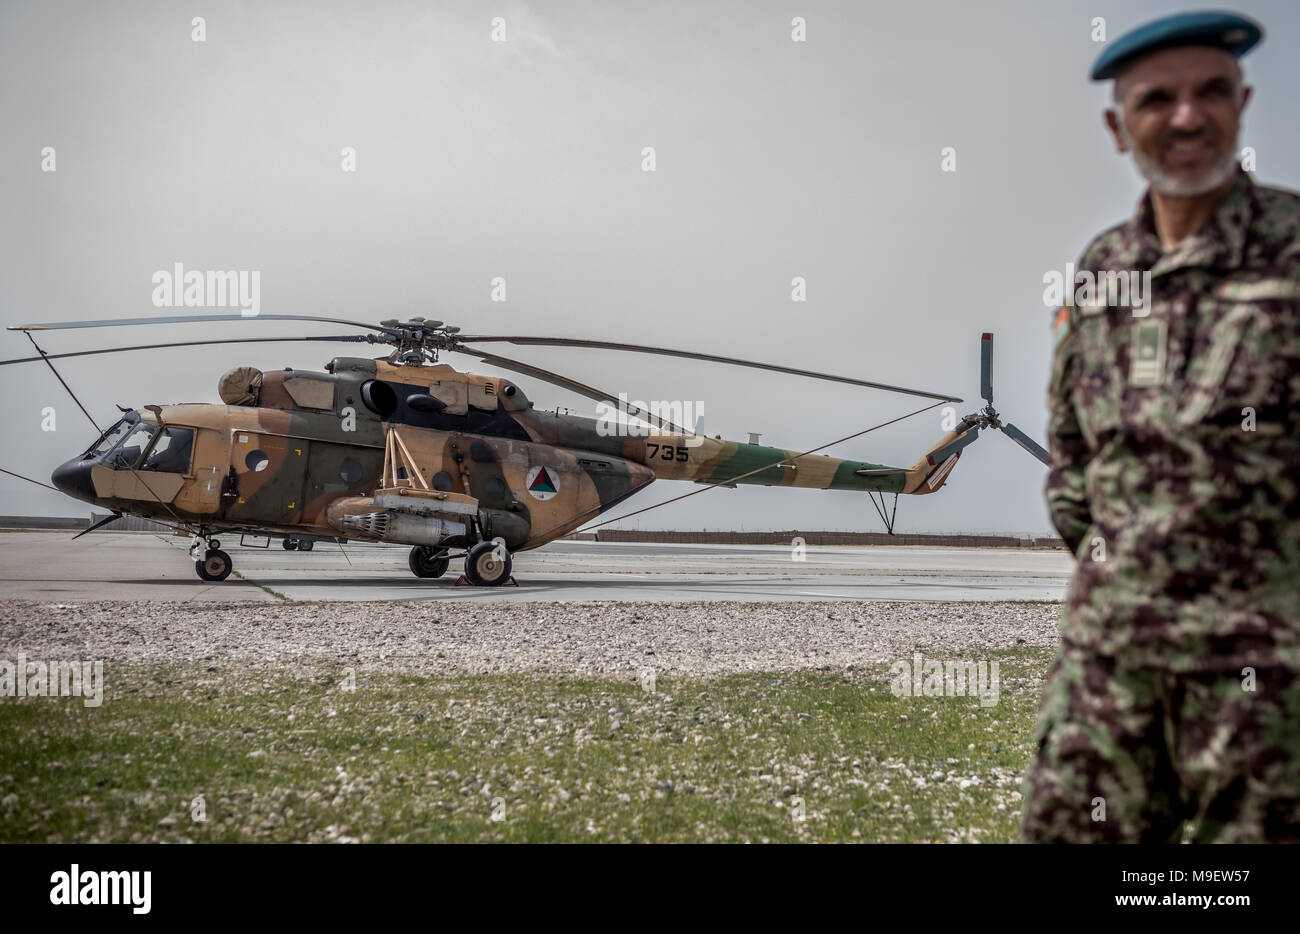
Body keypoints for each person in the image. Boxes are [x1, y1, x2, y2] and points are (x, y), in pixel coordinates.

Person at [1020, 10, 1300, 843]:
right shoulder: (1103, 268)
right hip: (1110, 665)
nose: (1186, 117)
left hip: (1265, 678)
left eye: (1210, 93)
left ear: (1242, 103)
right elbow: (1072, 455)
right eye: (1157, 100)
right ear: (1118, 127)